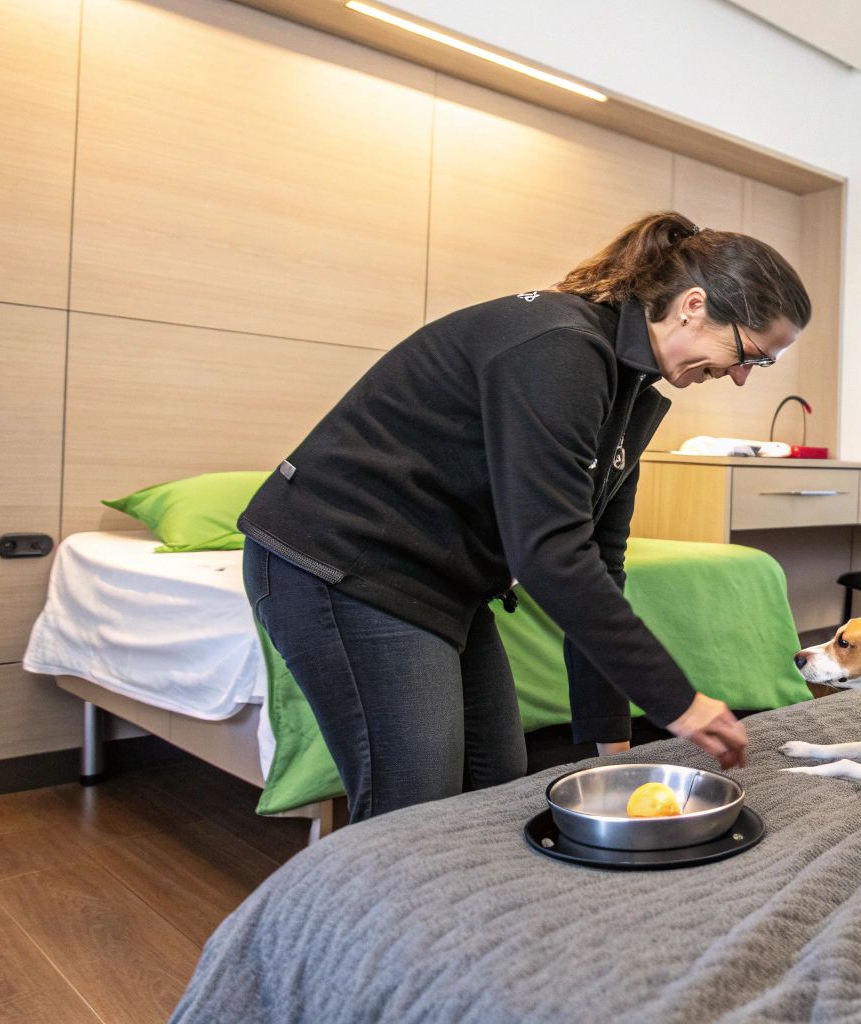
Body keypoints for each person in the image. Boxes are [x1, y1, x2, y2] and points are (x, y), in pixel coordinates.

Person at [237, 211, 810, 820]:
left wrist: (609, 738)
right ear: (693, 305)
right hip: (340, 561)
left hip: (438, 580)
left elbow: (599, 563)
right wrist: (678, 702)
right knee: (414, 807)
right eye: (751, 353)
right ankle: (348, 914)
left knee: (497, 780)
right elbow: (549, 554)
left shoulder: (628, 394)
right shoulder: (560, 348)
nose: (743, 377)